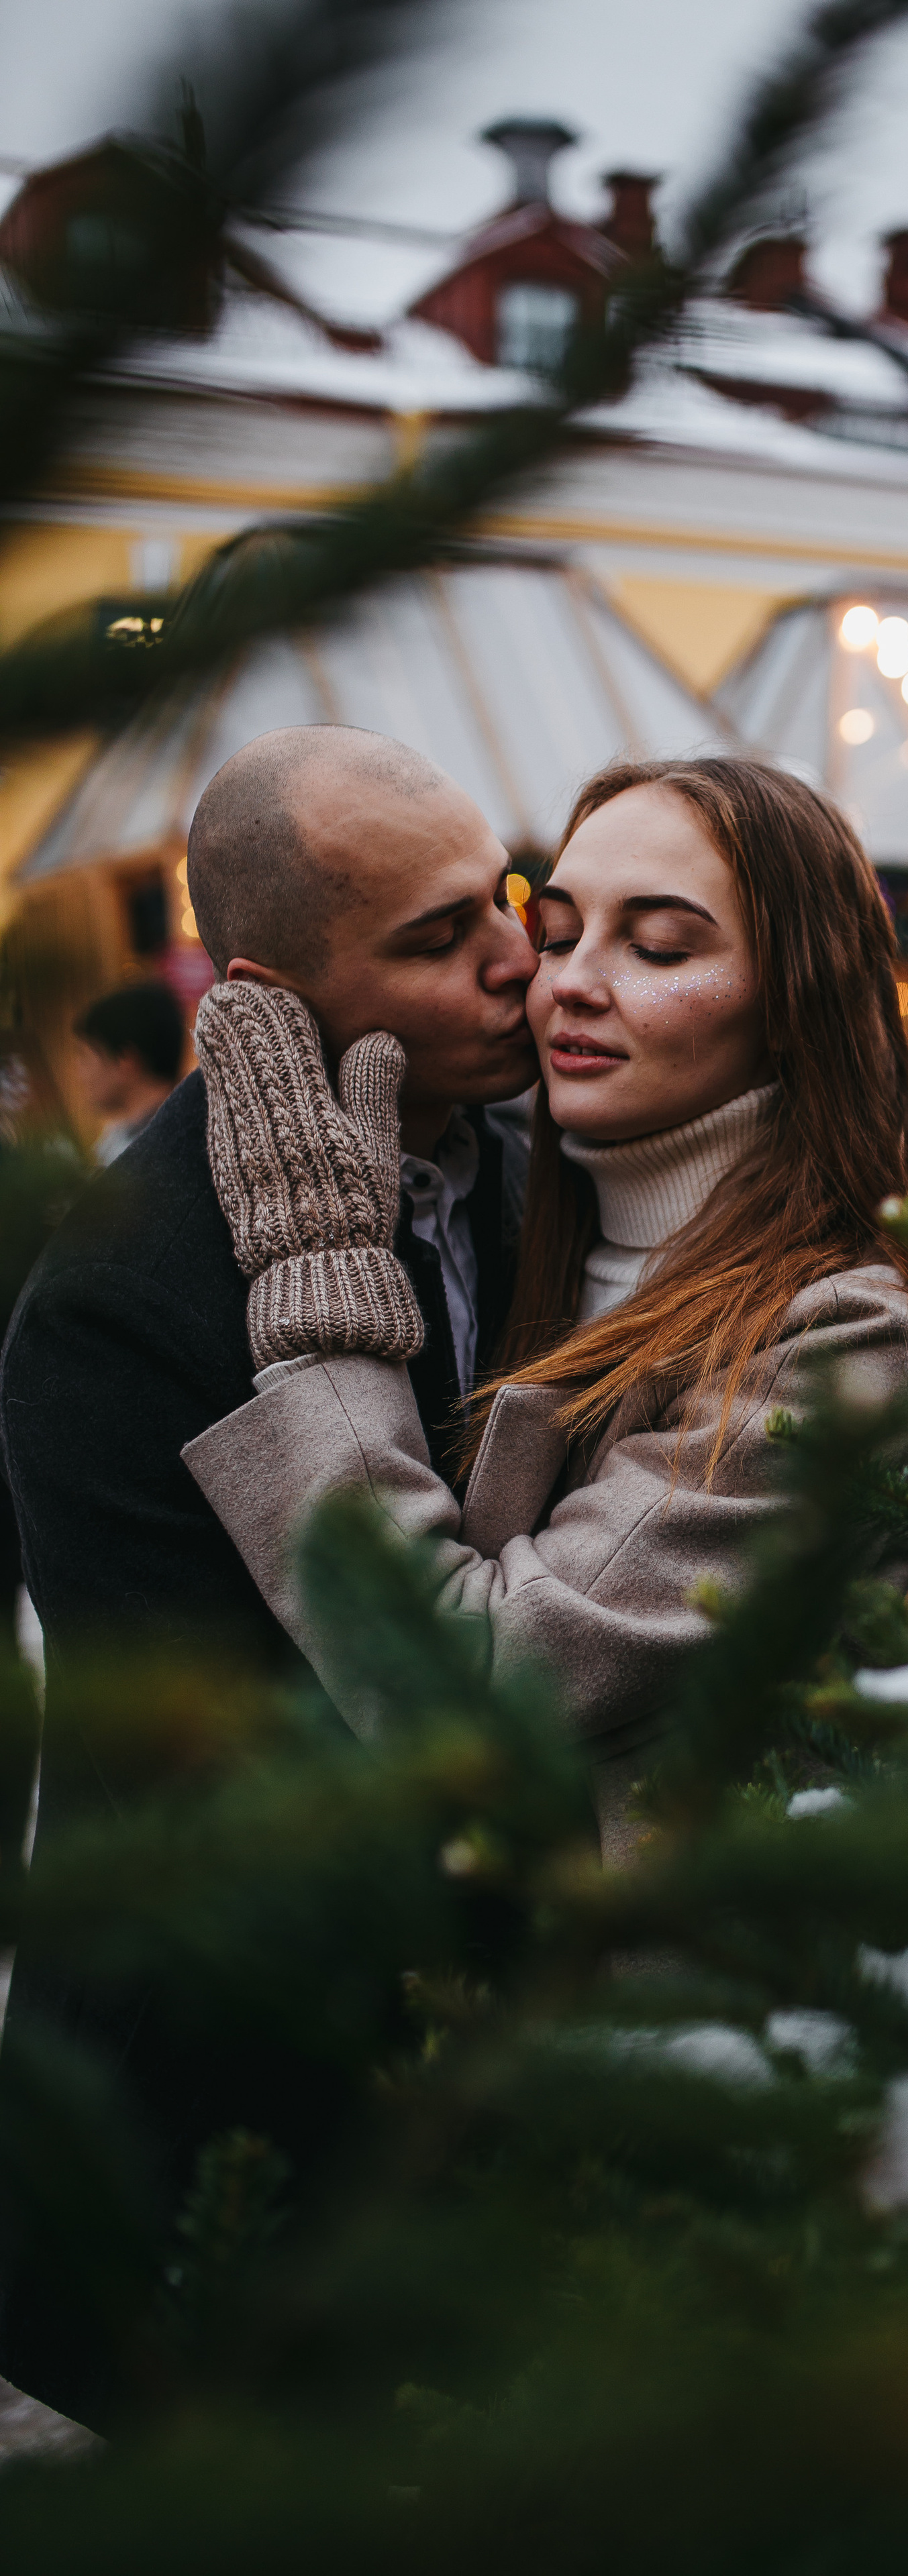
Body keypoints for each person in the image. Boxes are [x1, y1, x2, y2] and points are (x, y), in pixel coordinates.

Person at [0, 724, 538, 2429]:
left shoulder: (537, 1172)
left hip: (491, 2105)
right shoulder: (118, 1294)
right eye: (440, 937)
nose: (518, 957)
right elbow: (208, 1763)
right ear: (269, 997)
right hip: (215, 2118)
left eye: (506, 896)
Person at [181, 756, 908, 1861]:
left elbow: (469, 1690)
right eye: (557, 933)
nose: (564, 984)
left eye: (660, 948)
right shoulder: (531, 1242)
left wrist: (322, 1295)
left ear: (798, 1005)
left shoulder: (842, 1337)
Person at [71, 983, 185, 1167]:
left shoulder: (166, 1151)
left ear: (126, 1061)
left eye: (86, 1058)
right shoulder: (119, 1135)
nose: (80, 1073)